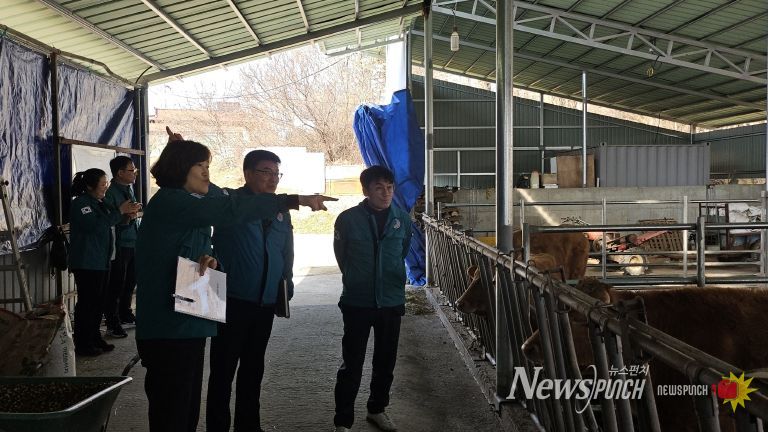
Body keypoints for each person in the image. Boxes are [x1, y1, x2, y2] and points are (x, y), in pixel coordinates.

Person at [135, 133, 336, 432]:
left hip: (191, 317)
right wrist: (294, 200)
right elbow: (229, 209)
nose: (206, 172)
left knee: (188, 405)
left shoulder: (189, 204)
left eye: (207, 166)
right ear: (180, 168)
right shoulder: (173, 201)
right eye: (200, 165)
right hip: (170, 325)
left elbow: (189, 247)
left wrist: (210, 260)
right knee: (174, 409)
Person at [206, 150, 294, 432]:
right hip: (231, 299)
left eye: (276, 173)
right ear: (247, 173)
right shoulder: (230, 202)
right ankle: (217, 427)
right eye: (265, 172)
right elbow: (201, 193)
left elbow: (285, 251)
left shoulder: (281, 210)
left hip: (265, 303)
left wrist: (286, 281)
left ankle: (249, 426)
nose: (272, 179)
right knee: (222, 371)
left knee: (254, 368)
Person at [332, 165, 412, 432]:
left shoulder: (402, 218)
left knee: (385, 361)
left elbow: (401, 251)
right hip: (357, 301)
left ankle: (377, 410)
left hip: (390, 301)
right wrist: (357, 278)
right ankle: (343, 421)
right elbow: (342, 256)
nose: (386, 193)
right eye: (379, 188)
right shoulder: (347, 219)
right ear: (366, 190)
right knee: (352, 363)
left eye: (389, 187)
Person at [69, 168, 141, 356]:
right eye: (102, 184)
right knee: (87, 303)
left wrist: (126, 216)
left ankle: (95, 338)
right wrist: (119, 211)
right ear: (90, 186)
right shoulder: (82, 204)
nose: (105, 188)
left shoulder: (99, 203)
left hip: (102, 260)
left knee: (99, 302)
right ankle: (83, 343)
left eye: (106, 184)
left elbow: (111, 222)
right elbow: (94, 226)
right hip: (87, 261)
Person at [103, 155, 140, 339]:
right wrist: (126, 217)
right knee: (116, 284)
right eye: (131, 170)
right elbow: (109, 221)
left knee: (130, 282)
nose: (134, 174)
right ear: (119, 173)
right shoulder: (111, 194)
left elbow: (129, 213)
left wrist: (134, 213)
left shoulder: (128, 189)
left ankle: (125, 313)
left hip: (133, 241)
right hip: (119, 244)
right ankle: (112, 321)